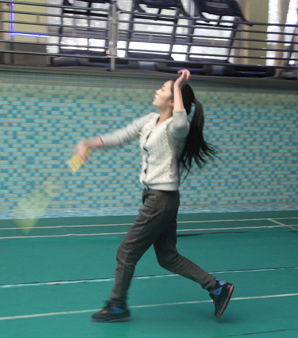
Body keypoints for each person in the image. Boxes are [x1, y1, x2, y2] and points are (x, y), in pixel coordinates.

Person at [74, 70, 234, 323]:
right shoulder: (150, 120)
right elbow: (120, 136)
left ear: (173, 101)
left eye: (163, 89)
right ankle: (217, 287)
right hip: (155, 198)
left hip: (161, 199)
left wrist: (179, 86)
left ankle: (117, 305)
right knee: (168, 257)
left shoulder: (176, 128)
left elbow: (180, 123)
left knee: (126, 252)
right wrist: (87, 143)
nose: (157, 90)